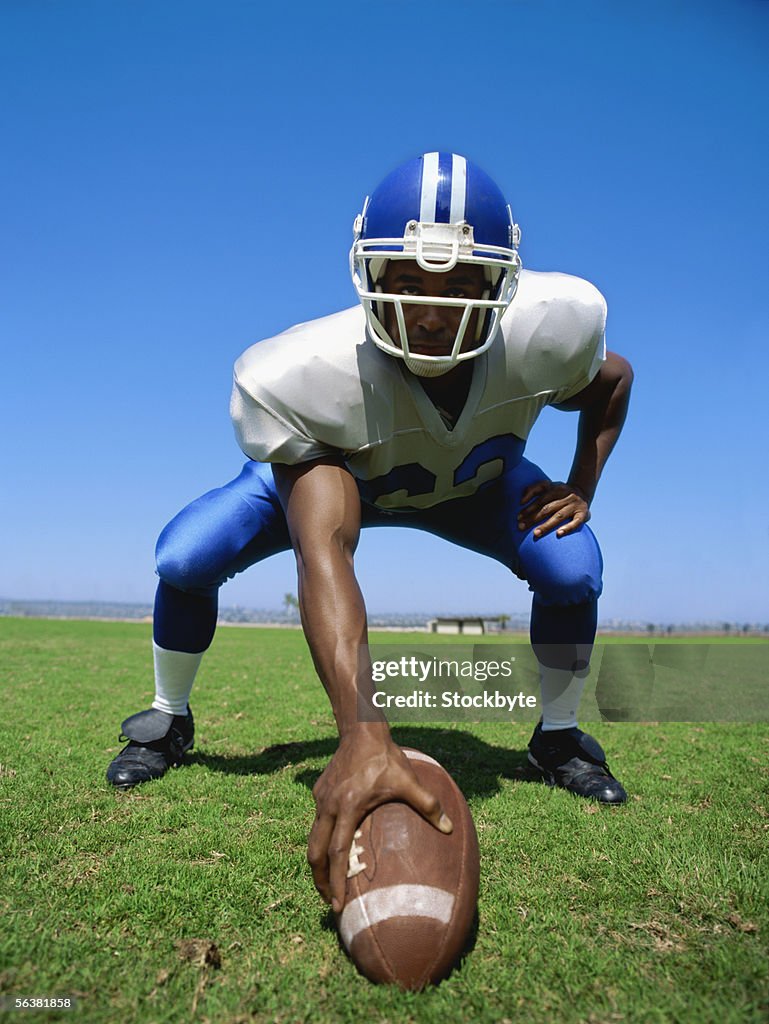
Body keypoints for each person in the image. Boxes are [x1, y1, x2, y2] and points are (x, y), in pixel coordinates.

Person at [107, 152, 633, 912]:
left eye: (458, 287)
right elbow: (326, 550)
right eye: (410, 282)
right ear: (370, 276)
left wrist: (580, 487)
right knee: (184, 557)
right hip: (345, 477)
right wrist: (359, 730)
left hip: (472, 484)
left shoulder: (549, 330)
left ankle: (558, 736)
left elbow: (612, 382)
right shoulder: (304, 376)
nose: (431, 311)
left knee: (572, 567)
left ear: (499, 284)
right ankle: (167, 715)